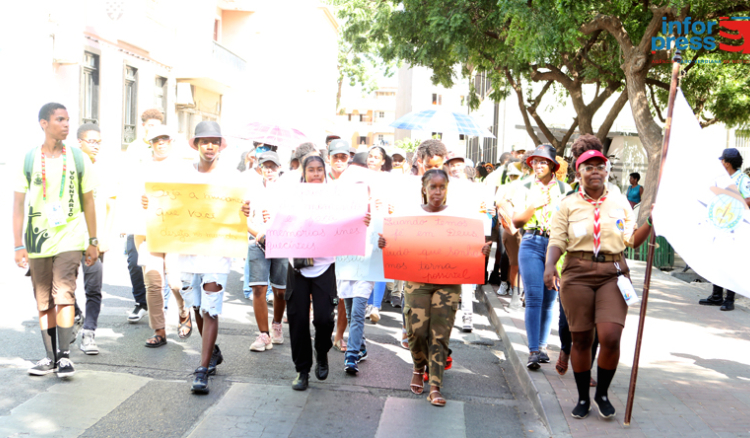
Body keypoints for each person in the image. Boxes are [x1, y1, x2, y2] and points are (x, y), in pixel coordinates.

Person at [544, 149, 653, 419]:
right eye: (588, 167)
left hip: (612, 273)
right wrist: (549, 267)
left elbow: (632, 240)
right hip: (577, 272)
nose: (595, 171)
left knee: (610, 337)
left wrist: (651, 222)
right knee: (581, 339)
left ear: (606, 172)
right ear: (578, 173)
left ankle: (602, 394)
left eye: (599, 167)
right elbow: (557, 240)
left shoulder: (620, 203)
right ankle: (583, 399)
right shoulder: (567, 205)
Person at [378, 169, 492, 406]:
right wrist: (385, 243)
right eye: (433, 187)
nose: (437, 192)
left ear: (447, 188)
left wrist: (482, 251)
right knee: (416, 331)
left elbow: (473, 244)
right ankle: (419, 366)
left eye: (442, 187)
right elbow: (395, 241)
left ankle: (436, 385)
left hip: (448, 283)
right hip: (416, 281)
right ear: (424, 188)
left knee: (440, 333)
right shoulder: (409, 214)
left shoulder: (459, 216)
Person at [145, 121, 232, 394]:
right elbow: (166, 202)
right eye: (204, 141)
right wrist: (150, 202)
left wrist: (245, 210)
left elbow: (242, 210)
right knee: (195, 306)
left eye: (215, 141)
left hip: (217, 251)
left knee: (210, 306)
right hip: (187, 250)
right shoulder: (182, 173)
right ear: (195, 144)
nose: (210, 146)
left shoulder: (231, 177)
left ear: (220, 145)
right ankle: (212, 350)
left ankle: (203, 368)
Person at [14, 103, 99, 377]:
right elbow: (17, 206)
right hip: (38, 240)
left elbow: (88, 201)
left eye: (67, 120)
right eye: (60, 120)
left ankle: (64, 357)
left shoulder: (77, 158)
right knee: (43, 301)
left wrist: (93, 240)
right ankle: (49, 357)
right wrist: (18, 244)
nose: (66, 124)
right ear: (43, 123)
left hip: (70, 237)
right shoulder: (28, 159)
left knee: (64, 294)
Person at [286, 155, 370, 391]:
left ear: (324, 173)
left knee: (323, 319)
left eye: (318, 170)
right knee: (298, 321)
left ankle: (321, 352)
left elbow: (349, 222)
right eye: (310, 170)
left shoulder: (336, 197)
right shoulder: (291, 196)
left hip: (326, 266)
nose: (315, 174)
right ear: (303, 173)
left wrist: (362, 220)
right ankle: (302, 370)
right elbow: (276, 220)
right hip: (297, 268)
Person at [512, 144, 571, 370]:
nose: (538, 165)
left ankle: (543, 347)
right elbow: (517, 221)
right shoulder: (525, 186)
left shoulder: (566, 190)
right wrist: (533, 206)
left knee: (549, 299)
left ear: (553, 165)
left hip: (557, 245)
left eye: (543, 161)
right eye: (535, 161)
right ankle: (533, 351)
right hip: (531, 242)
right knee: (535, 297)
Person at [137, 127, 192, 348]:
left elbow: (191, 198)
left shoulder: (183, 167)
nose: (160, 143)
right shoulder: (141, 168)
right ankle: (159, 330)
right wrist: (139, 202)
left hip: (175, 230)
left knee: (175, 281)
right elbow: (131, 196)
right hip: (147, 229)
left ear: (172, 141)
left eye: (164, 139)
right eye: (155, 140)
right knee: (153, 282)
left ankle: (183, 311)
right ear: (150, 143)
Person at [73, 123, 117, 355]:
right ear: (78, 142)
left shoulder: (104, 170)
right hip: (68, 240)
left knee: (93, 289)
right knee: (61, 288)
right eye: (91, 141)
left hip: (94, 241)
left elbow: (111, 206)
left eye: (99, 142)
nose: (96, 146)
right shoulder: (68, 168)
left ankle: (88, 334)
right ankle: (75, 314)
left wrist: (106, 237)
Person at [123, 109, 164, 323]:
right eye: (149, 125)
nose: (152, 129)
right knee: (133, 258)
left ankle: (160, 301)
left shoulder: (166, 146)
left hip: (160, 214)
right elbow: (128, 181)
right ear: (143, 126)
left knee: (160, 258)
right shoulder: (134, 148)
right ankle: (140, 302)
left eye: (156, 126)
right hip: (136, 210)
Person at [698, 148, 750, 312]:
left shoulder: (742, 179)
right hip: (719, 224)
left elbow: (748, 200)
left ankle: (729, 299)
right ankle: (716, 295)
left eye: (722, 160)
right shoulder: (721, 178)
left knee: (730, 262)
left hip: (734, 227)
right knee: (717, 259)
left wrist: (733, 206)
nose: (720, 163)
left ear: (727, 163)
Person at [245, 151, 288, 351]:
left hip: (281, 243)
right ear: (259, 168)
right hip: (257, 242)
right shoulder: (251, 189)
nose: (269, 170)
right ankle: (264, 334)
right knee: (258, 288)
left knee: (280, 291)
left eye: (273, 166)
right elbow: (243, 216)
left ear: (279, 168)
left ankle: (277, 324)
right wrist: (258, 233)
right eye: (265, 166)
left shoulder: (286, 190)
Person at [327, 139, 353, 350]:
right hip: (321, 244)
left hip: (346, 244)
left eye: (343, 156)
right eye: (335, 156)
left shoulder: (356, 183)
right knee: (323, 293)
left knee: (344, 294)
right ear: (329, 158)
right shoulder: (319, 180)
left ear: (349, 159)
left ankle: (339, 336)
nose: (339, 160)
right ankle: (324, 331)